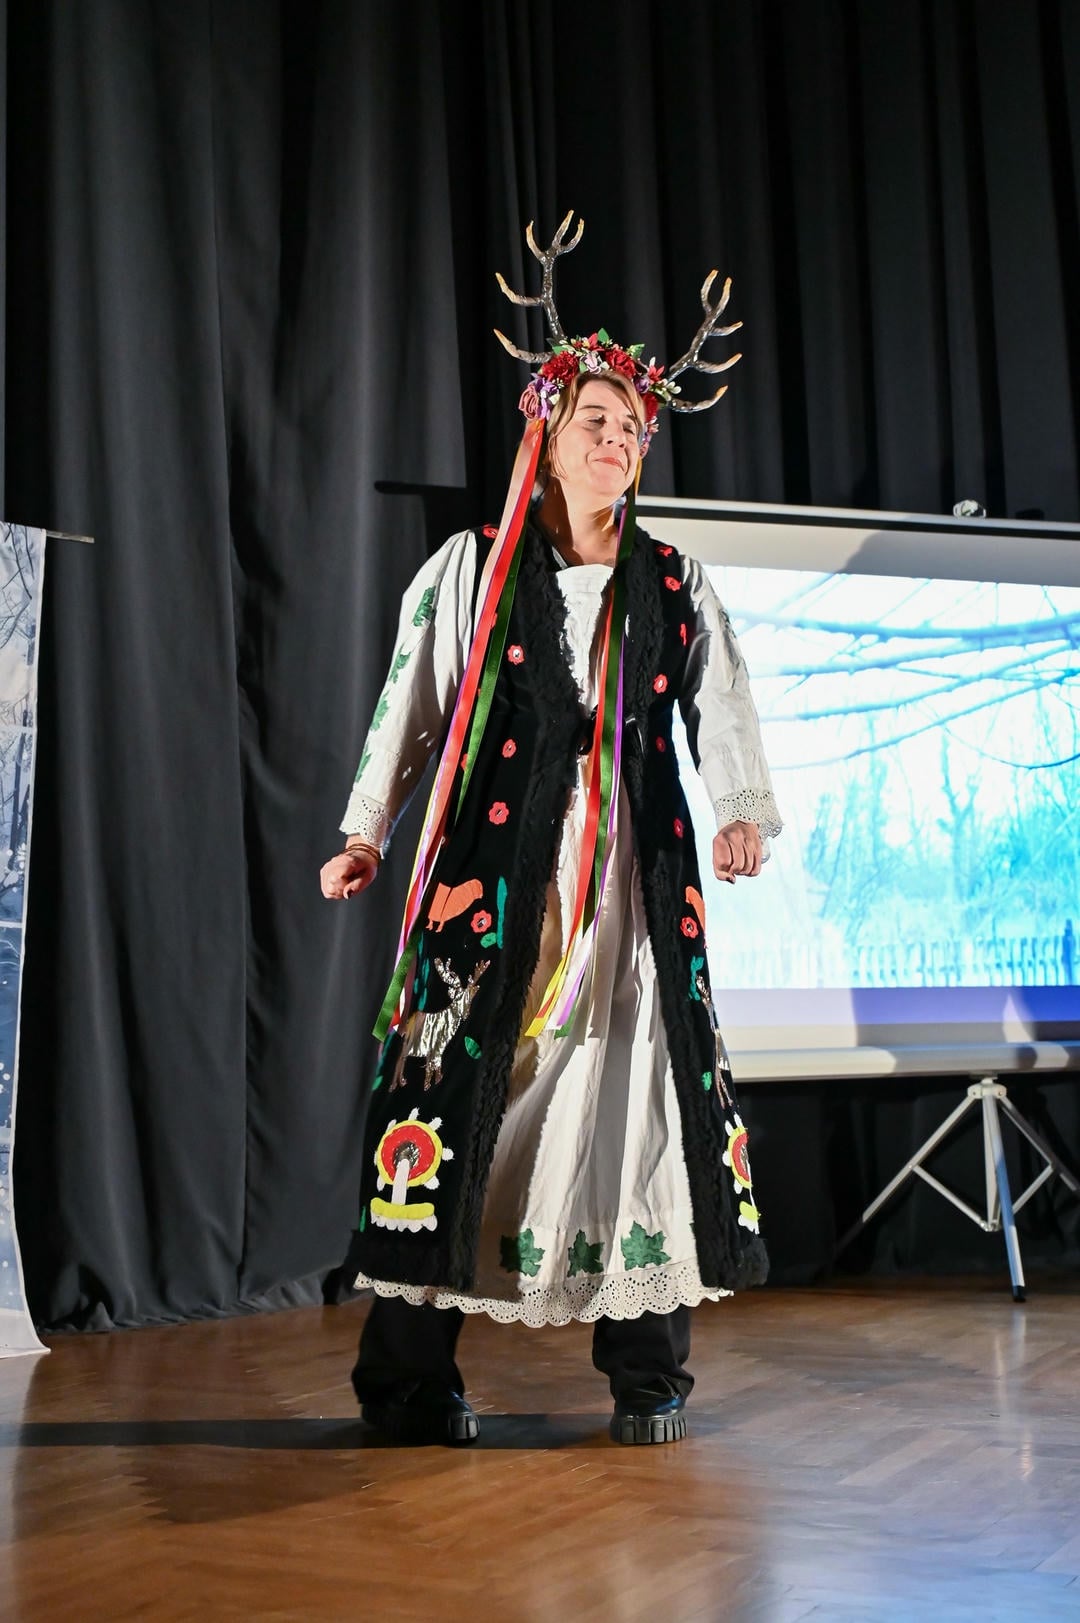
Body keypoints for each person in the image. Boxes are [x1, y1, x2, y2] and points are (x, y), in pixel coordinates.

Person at [320, 215, 782, 1447]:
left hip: (633, 884)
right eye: (596, 422)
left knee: (640, 1093)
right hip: (495, 879)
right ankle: (409, 1382)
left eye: (632, 428)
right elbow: (411, 706)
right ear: (549, 433)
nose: (616, 441)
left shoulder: (673, 579)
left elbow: (722, 706)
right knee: (456, 1089)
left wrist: (739, 812)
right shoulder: (472, 570)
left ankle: (648, 1374)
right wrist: (367, 833)